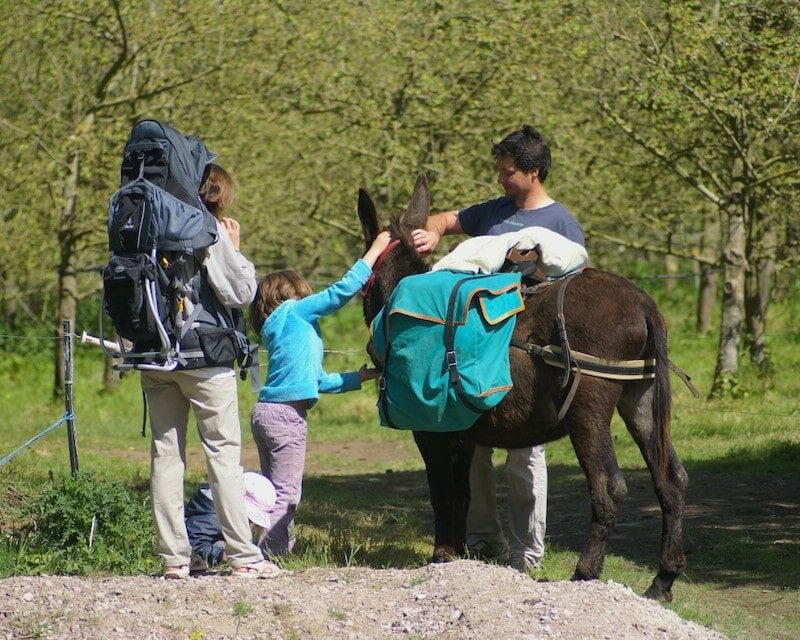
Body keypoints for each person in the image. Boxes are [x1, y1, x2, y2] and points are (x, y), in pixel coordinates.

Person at [412, 125, 586, 573]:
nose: (501, 180)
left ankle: (526, 554)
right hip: (476, 350)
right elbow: (447, 220)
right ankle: (482, 542)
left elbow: (573, 291)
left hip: (526, 361)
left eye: (508, 173)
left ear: (533, 172)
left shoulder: (561, 225)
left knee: (525, 457)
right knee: (472, 446)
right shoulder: (494, 211)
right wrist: (430, 234)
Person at [142, 163, 281, 580]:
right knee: (223, 455)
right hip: (204, 358)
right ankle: (243, 556)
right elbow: (239, 293)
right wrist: (233, 247)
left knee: (165, 456)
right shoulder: (207, 228)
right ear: (219, 194)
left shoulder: (147, 224)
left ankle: (174, 559)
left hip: (154, 354)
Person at [249, 231, 393, 556]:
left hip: (266, 413)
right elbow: (340, 292)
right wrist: (373, 252)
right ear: (292, 293)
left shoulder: (281, 327)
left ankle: (266, 549)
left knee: (272, 491)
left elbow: (320, 381)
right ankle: (269, 555)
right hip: (287, 417)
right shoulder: (295, 312)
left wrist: (363, 377)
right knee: (287, 493)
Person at [185, 471, 277, 573]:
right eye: (249, 518)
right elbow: (195, 544)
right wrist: (225, 556)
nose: (249, 522)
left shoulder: (218, 509)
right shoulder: (213, 516)